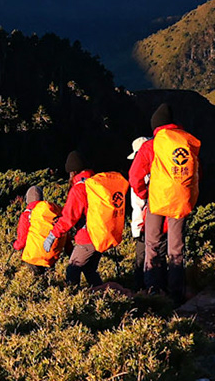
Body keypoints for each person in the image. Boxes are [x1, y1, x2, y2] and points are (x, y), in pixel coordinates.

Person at [131, 104, 201, 299]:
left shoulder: (152, 144)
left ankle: (154, 288)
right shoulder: (187, 141)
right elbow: (196, 173)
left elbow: (134, 175)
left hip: (157, 200)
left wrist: (144, 194)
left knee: (153, 244)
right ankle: (177, 291)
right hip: (181, 200)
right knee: (176, 247)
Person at [52, 151, 131, 288]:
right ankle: (102, 295)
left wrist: (54, 234)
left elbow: (69, 217)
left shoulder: (79, 189)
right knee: (89, 270)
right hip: (101, 236)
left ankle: (75, 299)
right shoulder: (96, 184)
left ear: (72, 171)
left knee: (73, 269)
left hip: (87, 238)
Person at [13, 184, 60, 274]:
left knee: (36, 278)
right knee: (49, 276)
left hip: (33, 256)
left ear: (27, 199)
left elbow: (22, 240)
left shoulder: (26, 215)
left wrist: (15, 246)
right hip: (50, 254)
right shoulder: (48, 212)